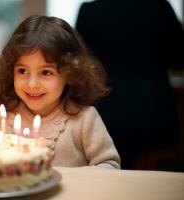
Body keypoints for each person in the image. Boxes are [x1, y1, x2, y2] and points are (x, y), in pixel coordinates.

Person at [0, 15, 120, 169]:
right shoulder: (3, 118)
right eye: (22, 70)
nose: (32, 84)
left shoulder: (84, 119)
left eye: (46, 72)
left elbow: (110, 164)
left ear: (70, 73)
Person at [76, 0, 184, 169]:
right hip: (154, 109)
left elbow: (80, 63)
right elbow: (178, 59)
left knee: (110, 176)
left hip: (106, 109)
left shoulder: (91, 11)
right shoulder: (159, 7)